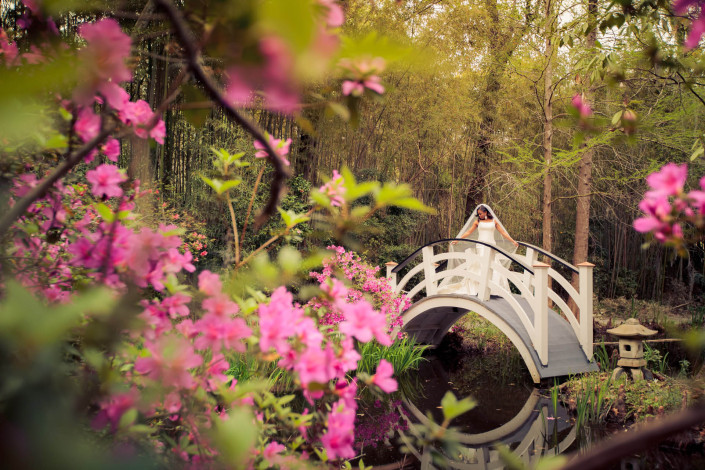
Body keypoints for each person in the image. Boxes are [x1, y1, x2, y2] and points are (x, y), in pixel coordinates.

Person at [441, 205, 518, 295]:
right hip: (481, 245)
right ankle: (479, 287)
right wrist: (458, 239)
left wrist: (513, 241)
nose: (479, 215)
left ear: (486, 212)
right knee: (481, 264)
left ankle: (493, 288)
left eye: (480, 213)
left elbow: (503, 233)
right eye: (478, 214)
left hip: (491, 245)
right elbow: (469, 232)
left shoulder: (494, 221)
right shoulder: (477, 222)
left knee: (492, 264)